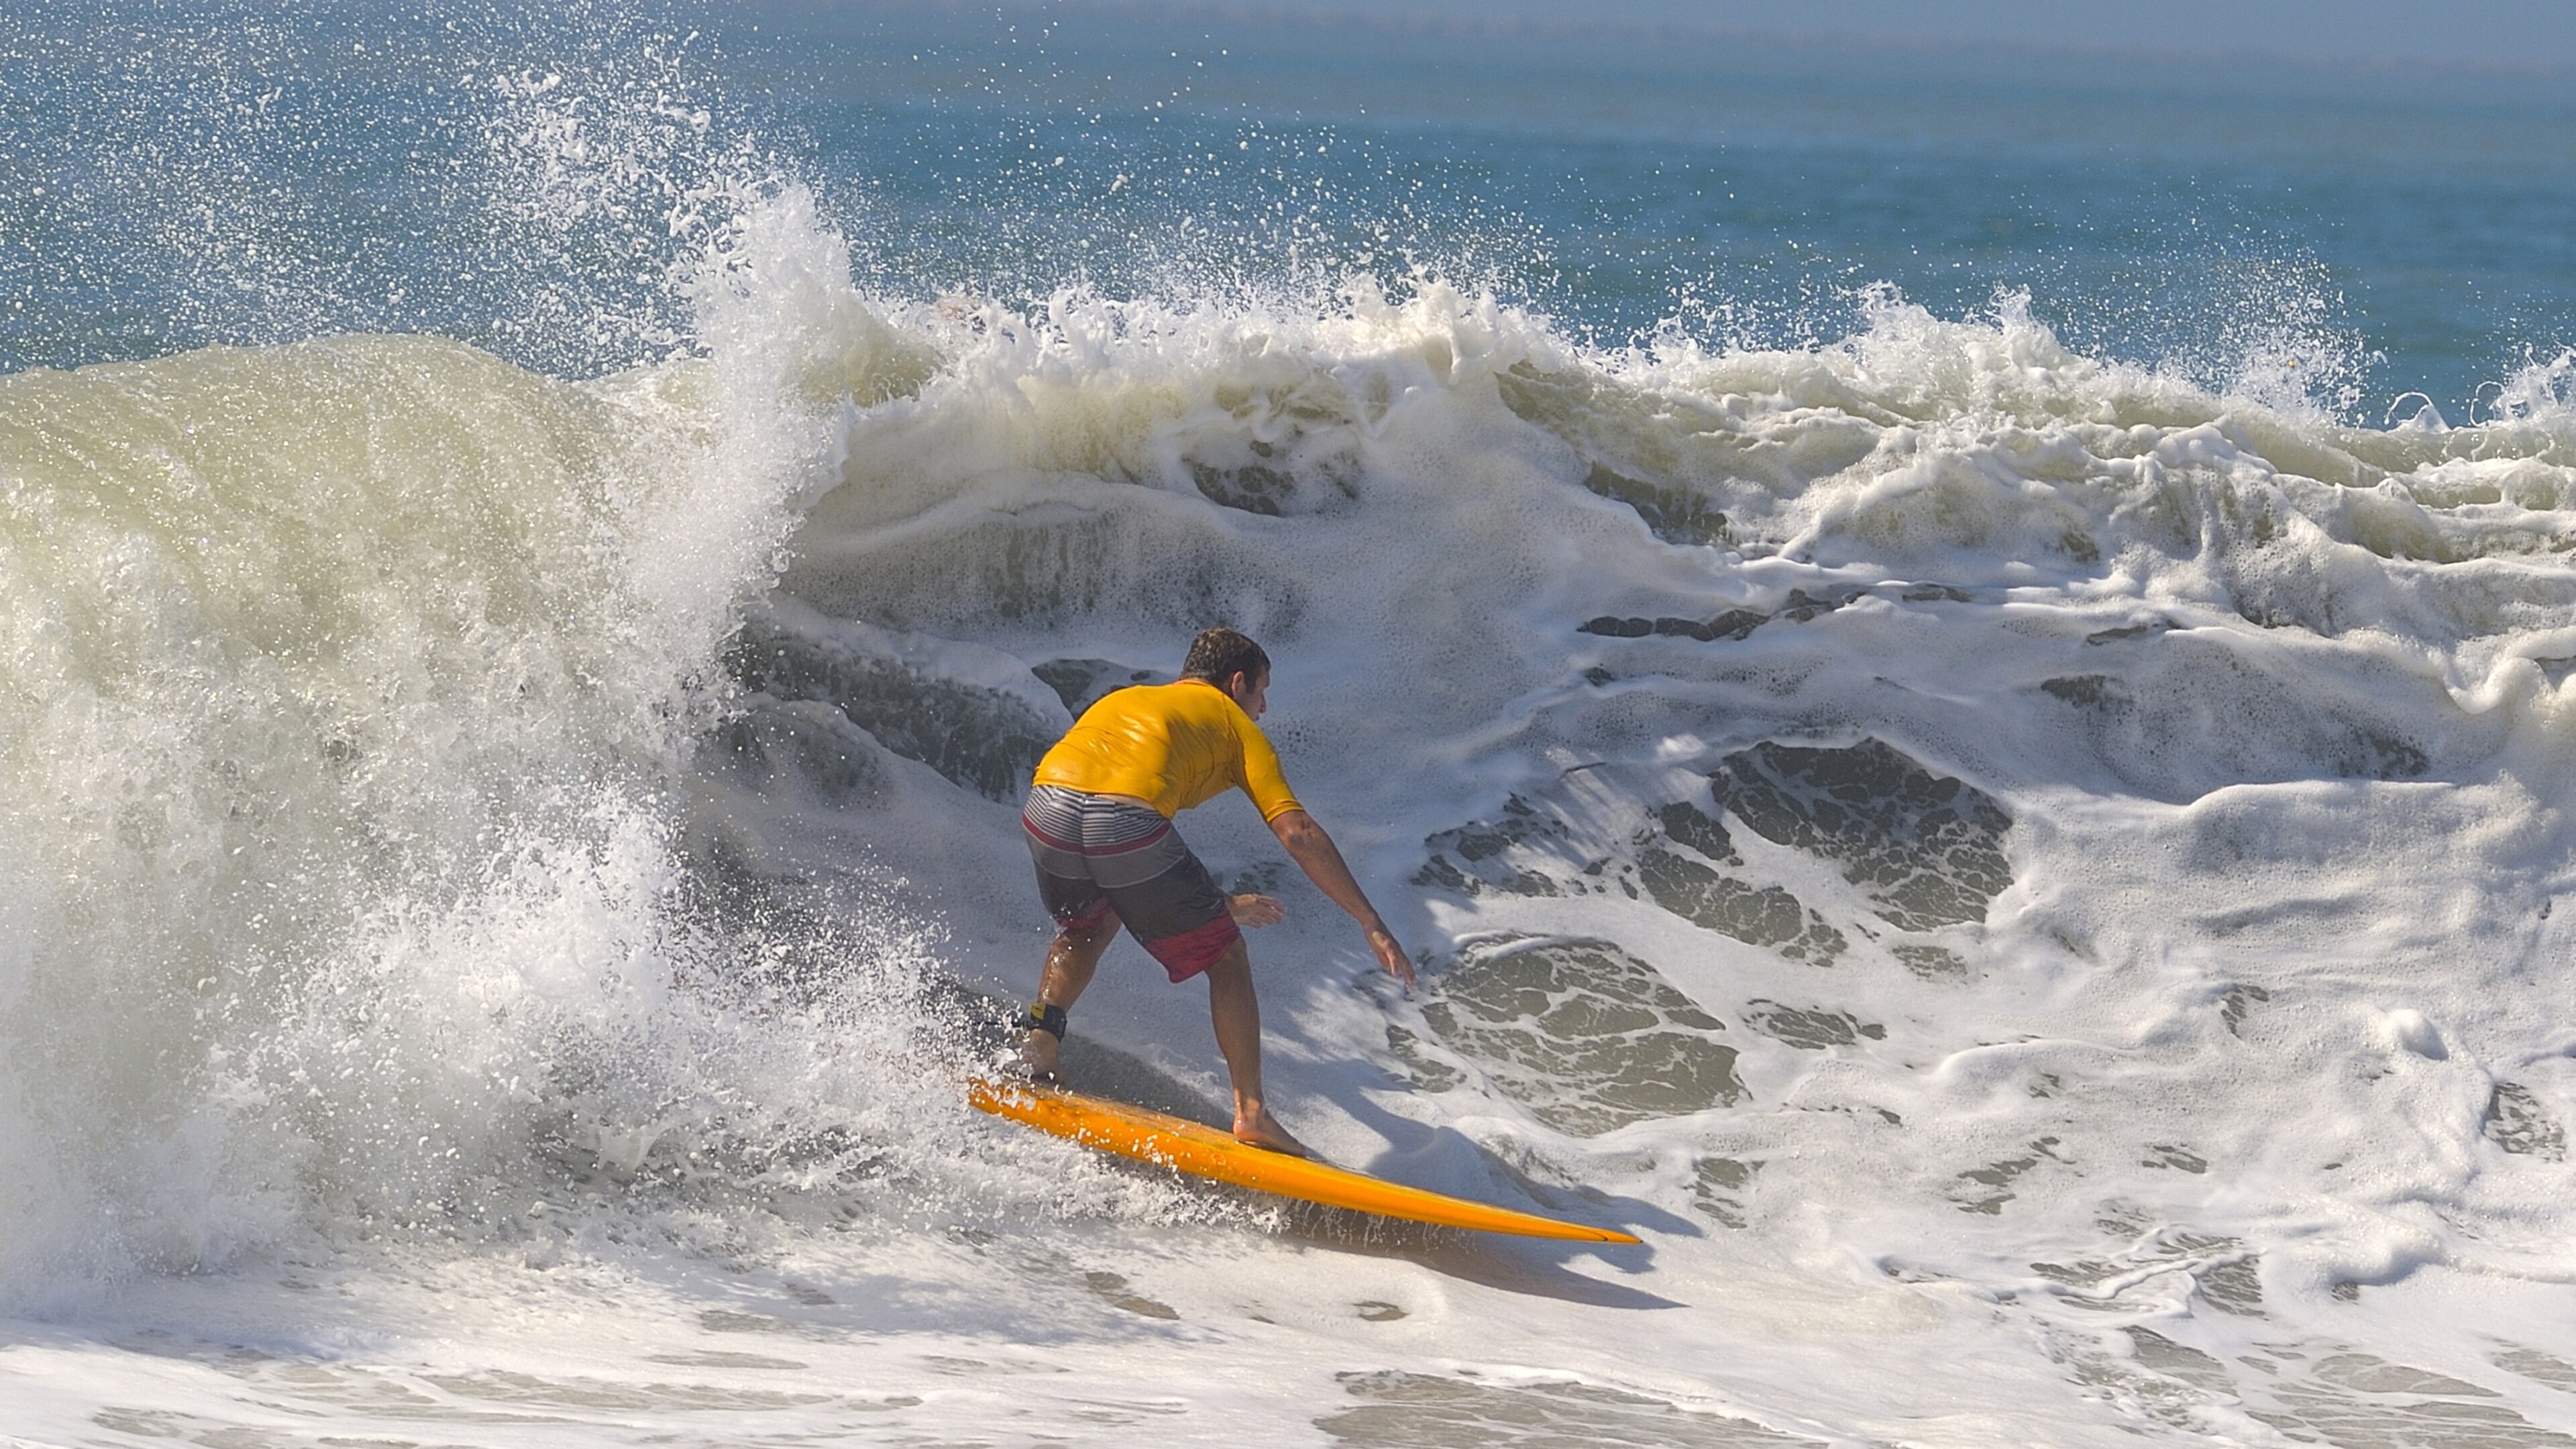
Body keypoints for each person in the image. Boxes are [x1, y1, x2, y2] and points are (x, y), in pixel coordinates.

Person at [1016, 627, 1413, 1157]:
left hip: (1048, 804)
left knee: (1087, 923)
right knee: (1227, 955)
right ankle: (1252, 1113)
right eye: (1261, 692)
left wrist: (1220, 904)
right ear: (1236, 681)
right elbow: (1297, 833)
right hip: (1125, 818)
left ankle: (1040, 1044)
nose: (1264, 708)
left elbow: (1124, 856)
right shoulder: (1234, 725)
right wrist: (1370, 919)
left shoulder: (1126, 700)